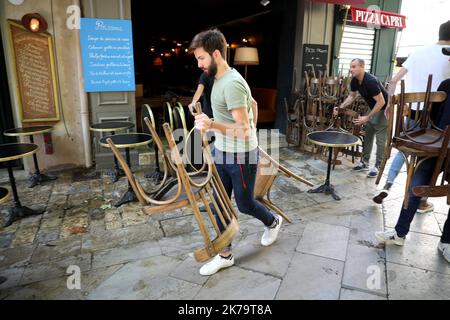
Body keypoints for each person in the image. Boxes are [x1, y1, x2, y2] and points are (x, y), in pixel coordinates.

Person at [189, 29, 282, 276]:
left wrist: (212, 125)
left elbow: (242, 129)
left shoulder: (232, 83)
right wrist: (211, 126)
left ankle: (273, 222)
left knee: (244, 204)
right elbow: (252, 105)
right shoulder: (217, 79)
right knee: (219, 203)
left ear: (216, 54)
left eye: (201, 58)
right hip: (222, 151)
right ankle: (225, 255)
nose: (199, 64)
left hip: (241, 155)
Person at [376, 48, 450, 264]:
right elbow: (433, 119)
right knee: (415, 188)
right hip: (436, 147)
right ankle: (399, 233)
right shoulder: (446, 86)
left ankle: (446, 242)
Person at [373, 20, 450, 213]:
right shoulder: (447, 55)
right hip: (436, 120)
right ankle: (421, 200)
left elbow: (393, 81)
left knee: (405, 150)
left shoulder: (418, 52)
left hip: (412, 114)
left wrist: (389, 104)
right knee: (433, 158)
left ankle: (388, 185)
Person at [333, 58, 388, 178]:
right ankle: (365, 162)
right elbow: (351, 96)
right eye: (350, 66)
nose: (350, 69)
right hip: (373, 107)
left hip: (385, 109)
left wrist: (367, 117)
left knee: (380, 140)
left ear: (362, 67)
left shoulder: (370, 81)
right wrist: (340, 107)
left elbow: (381, 102)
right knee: (368, 135)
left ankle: (378, 165)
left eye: (354, 67)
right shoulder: (355, 81)